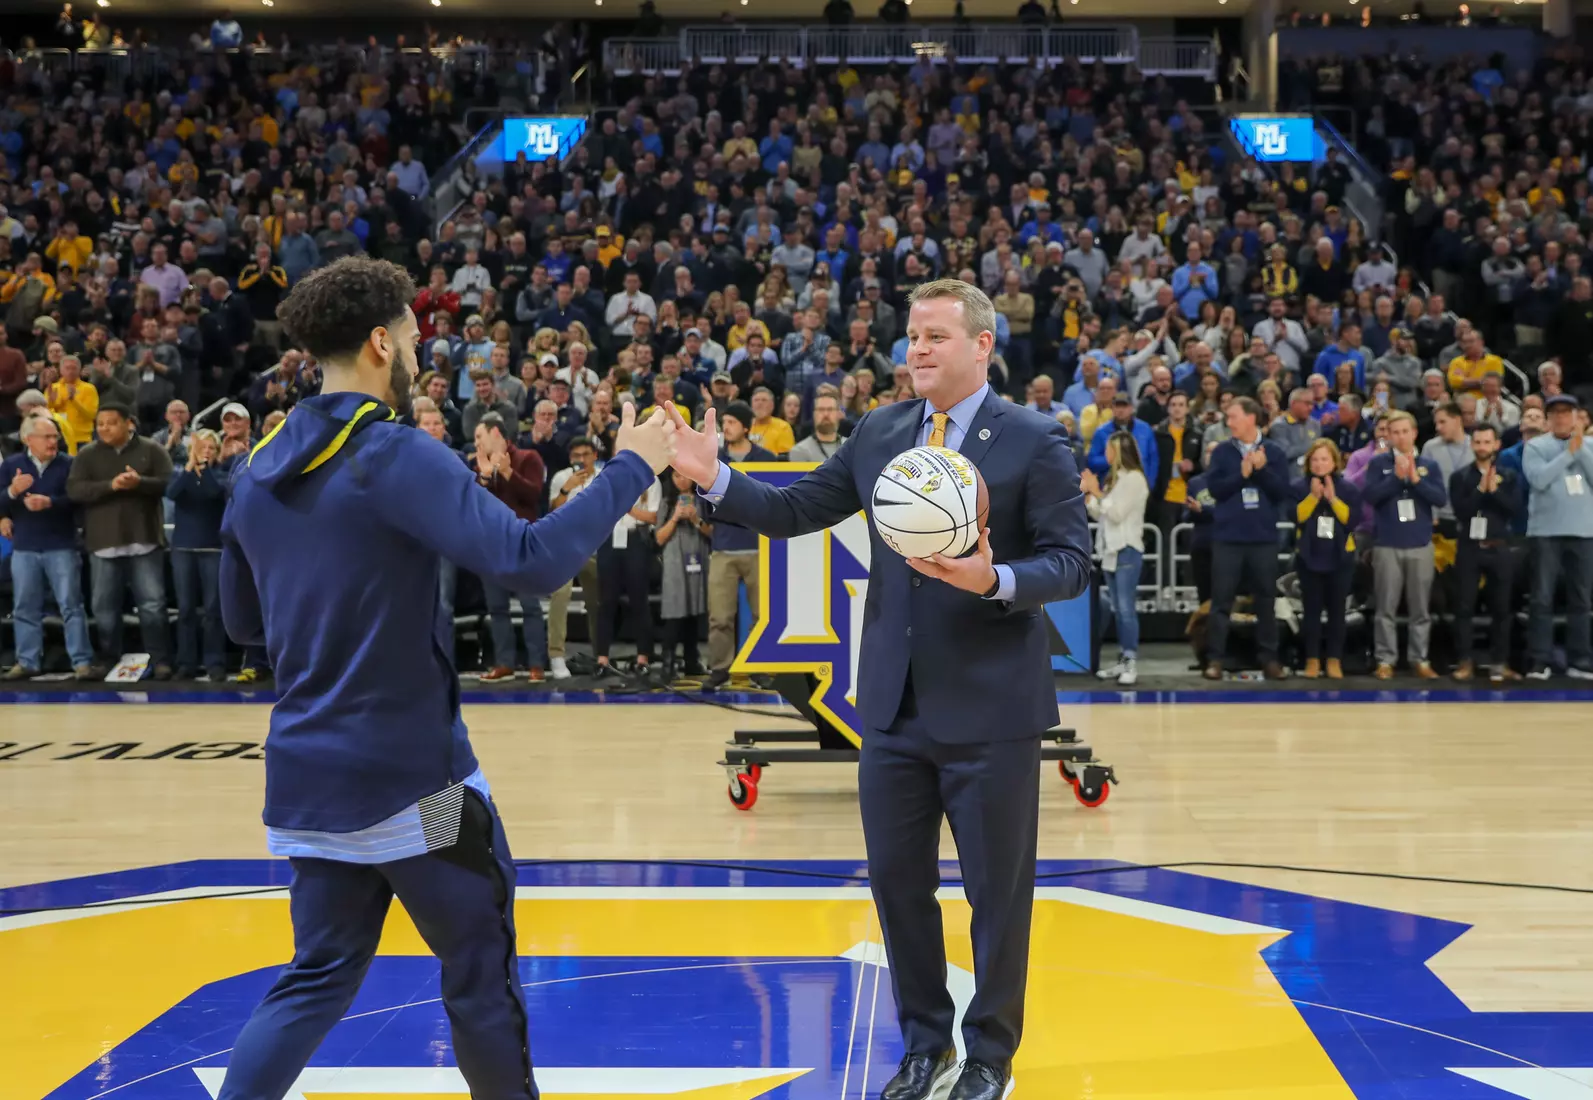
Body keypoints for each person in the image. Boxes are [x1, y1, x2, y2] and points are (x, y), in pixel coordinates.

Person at [211, 256, 676, 1100]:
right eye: (416, 337)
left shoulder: (255, 469)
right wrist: (631, 465)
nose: (421, 351)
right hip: (416, 783)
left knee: (315, 976)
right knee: (476, 966)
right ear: (381, 343)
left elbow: (244, 627)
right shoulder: (393, 454)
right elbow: (530, 563)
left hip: (306, 782)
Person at [668, 278, 1092, 1100]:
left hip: (993, 712)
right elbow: (793, 510)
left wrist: (992, 576)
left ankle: (991, 1059)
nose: (917, 350)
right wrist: (716, 480)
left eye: (936, 335)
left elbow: (1070, 563)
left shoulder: (1033, 438)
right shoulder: (881, 430)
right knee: (900, 891)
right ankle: (924, 1046)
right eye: (912, 335)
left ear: (981, 347)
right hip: (891, 710)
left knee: (995, 900)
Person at [67, 402, 174, 677]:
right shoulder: (87, 455)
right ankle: (108, 659)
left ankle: (160, 659)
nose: (103, 428)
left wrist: (140, 482)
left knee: (152, 605)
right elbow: (75, 490)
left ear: (129, 423)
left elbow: (168, 483)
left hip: (144, 539)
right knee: (104, 608)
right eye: (100, 424)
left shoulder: (152, 449)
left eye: (110, 422)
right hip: (103, 543)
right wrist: (110, 486)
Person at [0, 414, 96, 679]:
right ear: (28, 439)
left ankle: (81, 662)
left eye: (55, 436)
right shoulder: (11, 465)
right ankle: (27, 661)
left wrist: (50, 502)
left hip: (61, 544)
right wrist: (11, 493)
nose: (54, 441)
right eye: (47, 437)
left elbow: (79, 500)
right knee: (25, 607)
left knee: (71, 605)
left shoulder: (69, 464)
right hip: (25, 546)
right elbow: (0, 501)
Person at [1202, 396, 1291, 679]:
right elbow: (1215, 490)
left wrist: (1261, 471)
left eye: (1233, 417)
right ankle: (1215, 659)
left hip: (1263, 538)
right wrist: (1241, 476)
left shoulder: (1274, 452)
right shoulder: (1222, 453)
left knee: (1266, 600)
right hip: (1228, 538)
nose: (1229, 423)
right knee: (1221, 601)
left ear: (1251, 418)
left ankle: (1270, 658)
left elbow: (1281, 493)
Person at [1363, 410, 1446, 679]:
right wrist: (1396, 478)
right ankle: (1385, 660)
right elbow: (1372, 497)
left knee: (1420, 608)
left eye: (1404, 431)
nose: (1399, 437)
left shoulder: (1429, 465)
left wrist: (1416, 480)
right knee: (1385, 607)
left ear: (1414, 433)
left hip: (1420, 544)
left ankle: (1419, 658)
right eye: (1394, 432)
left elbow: (1440, 499)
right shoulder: (1378, 464)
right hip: (1387, 544)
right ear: (1388, 435)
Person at [471, 413, 550, 683]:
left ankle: (536, 664)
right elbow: (475, 504)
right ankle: (505, 662)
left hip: (522, 540)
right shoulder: (480, 464)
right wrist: (483, 475)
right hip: (491, 543)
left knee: (530, 605)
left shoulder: (529, 458)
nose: (476, 443)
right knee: (497, 607)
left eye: (479, 437)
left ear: (495, 433)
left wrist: (506, 473)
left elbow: (534, 495)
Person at [700, 400, 774, 690]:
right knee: (719, 615)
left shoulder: (767, 459)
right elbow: (705, 504)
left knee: (762, 615)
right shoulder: (714, 460)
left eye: (732, 422)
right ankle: (719, 668)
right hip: (723, 547)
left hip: (760, 548)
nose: (726, 428)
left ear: (746, 426)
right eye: (724, 422)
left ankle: (761, 669)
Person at [1521, 394, 1593, 679]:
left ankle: (1581, 660)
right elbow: (1539, 479)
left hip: (1585, 531)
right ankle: (1540, 659)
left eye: (1567, 412)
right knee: (1541, 598)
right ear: (1548, 419)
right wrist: (1568, 454)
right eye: (1556, 413)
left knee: (1582, 599)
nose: (1561, 418)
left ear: (1576, 417)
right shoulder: (1536, 446)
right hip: (1545, 532)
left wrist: (1580, 449)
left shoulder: (1590, 446)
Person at [1448, 423, 1523, 683]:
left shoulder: (1510, 476)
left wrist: (1495, 491)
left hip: (1500, 547)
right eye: (1478, 442)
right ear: (1472, 445)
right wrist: (1481, 490)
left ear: (1496, 445)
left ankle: (1499, 663)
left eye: (1486, 442)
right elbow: (1462, 512)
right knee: (1464, 606)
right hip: (1469, 548)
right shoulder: (1460, 477)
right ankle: (1465, 661)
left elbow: (1513, 509)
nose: (1482, 447)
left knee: (1502, 608)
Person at [1082, 432, 1149, 686]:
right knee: (1117, 609)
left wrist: (1097, 492)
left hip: (1127, 549)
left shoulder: (1134, 480)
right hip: (1110, 550)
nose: (1106, 454)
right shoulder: (1115, 479)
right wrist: (1090, 495)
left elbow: (1118, 513)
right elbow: (1102, 514)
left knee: (1125, 609)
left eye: (1109, 449)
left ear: (1119, 451)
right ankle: (1123, 660)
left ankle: (1130, 660)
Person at [1292, 439, 1360, 679]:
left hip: (1340, 558)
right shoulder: (1299, 486)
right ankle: (1311, 660)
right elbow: (1296, 517)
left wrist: (1332, 499)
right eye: (1315, 459)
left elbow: (1352, 521)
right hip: (1309, 558)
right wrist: (1313, 498)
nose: (1320, 464)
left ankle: (1334, 660)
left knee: (1337, 612)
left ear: (1334, 462)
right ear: (1309, 462)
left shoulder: (1348, 489)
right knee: (1310, 611)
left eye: (1325, 459)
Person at [165, 428, 229, 681]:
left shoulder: (222, 474)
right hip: (183, 548)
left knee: (214, 609)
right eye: (201, 447)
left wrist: (206, 468)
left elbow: (215, 492)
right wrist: (191, 466)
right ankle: (186, 662)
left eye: (211, 448)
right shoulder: (182, 473)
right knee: (186, 610)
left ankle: (215, 662)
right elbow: (172, 494)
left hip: (212, 548)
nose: (206, 452)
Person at [544, 438, 607, 681]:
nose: (582, 459)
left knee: (598, 600)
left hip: (595, 545)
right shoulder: (561, 477)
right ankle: (556, 654)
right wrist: (565, 489)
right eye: (577, 455)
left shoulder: (604, 477)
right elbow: (552, 511)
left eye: (586, 454)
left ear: (594, 455)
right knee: (561, 593)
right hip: (565, 546)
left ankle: (599, 653)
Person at [655, 467, 712, 680]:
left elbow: (712, 533)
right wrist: (676, 517)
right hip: (674, 560)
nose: (681, 480)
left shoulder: (704, 500)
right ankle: (668, 662)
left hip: (697, 556)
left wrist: (696, 520)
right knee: (674, 608)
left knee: (694, 608)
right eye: (676, 476)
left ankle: (691, 659)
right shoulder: (666, 502)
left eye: (684, 475)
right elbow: (659, 538)